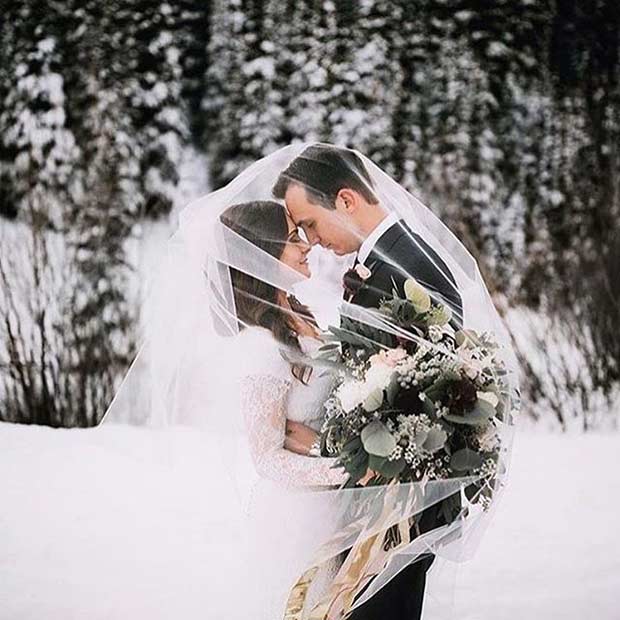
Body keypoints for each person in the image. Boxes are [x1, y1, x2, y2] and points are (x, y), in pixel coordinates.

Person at [273, 143, 464, 619]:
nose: (312, 242)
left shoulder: (412, 268)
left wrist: (321, 447)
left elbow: (436, 394)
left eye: (311, 224)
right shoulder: (386, 262)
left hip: (397, 513)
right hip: (378, 509)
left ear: (345, 200)